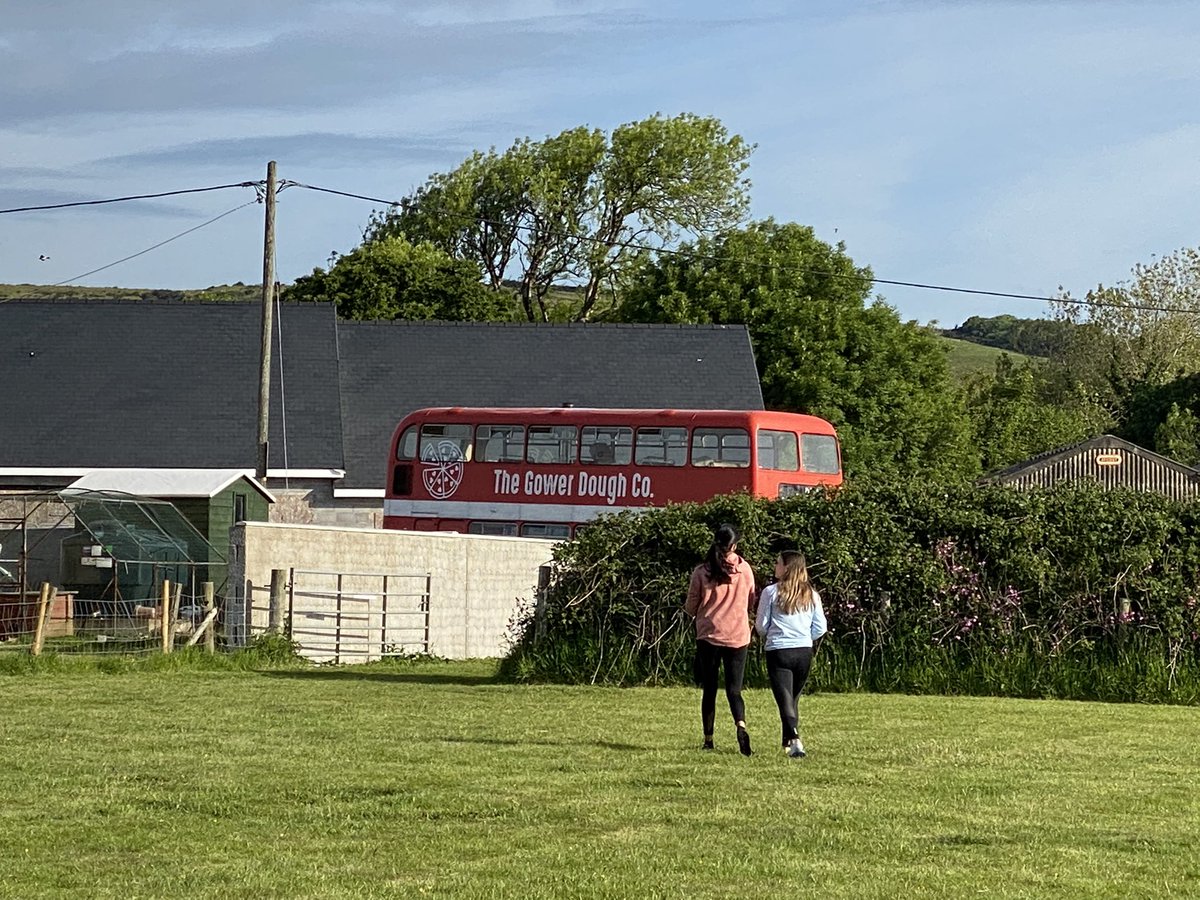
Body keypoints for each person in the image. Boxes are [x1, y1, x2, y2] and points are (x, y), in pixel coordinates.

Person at [684, 523, 757, 756]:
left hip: (709, 635)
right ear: (734, 545)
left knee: (710, 689)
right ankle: (741, 725)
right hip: (738, 635)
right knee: (734, 690)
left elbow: (691, 606)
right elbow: (751, 600)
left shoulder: (702, 571)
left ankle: (708, 739)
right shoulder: (744, 570)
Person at [754, 550, 827, 758]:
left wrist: (771, 635)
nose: (775, 566)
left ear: (787, 567)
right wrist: (804, 636)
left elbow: (761, 625)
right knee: (793, 698)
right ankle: (787, 739)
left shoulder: (771, 592)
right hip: (804, 651)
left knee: (784, 699)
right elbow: (820, 627)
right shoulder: (812, 594)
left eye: (778, 563)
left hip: (779, 650)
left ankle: (795, 739)